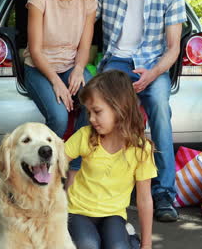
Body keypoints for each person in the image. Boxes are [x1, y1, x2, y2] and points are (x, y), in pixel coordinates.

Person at [92, 0, 187, 222]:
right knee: (98, 106)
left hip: (155, 62)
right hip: (117, 60)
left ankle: (164, 194)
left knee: (159, 107)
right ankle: (94, 184)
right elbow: (79, 16)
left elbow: (174, 47)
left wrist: (152, 74)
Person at [65, 70, 157, 249]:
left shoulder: (141, 150)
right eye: (89, 112)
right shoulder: (84, 136)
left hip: (113, 215)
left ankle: (131, 240)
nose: (91, 119)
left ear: (119, 107)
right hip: (77, 212)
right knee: (88, 245)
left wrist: (146, 245)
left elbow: (145, 199)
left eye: (97, 111)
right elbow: (54, 163)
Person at [22, 0, 97, 178]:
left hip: (71, 65)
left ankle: (74, 171)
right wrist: (56, 82)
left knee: (94, 103)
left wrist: (79, 69)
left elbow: (84, 47)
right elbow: (35, 50)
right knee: (59, 117)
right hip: (38, 67)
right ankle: (39, 170)